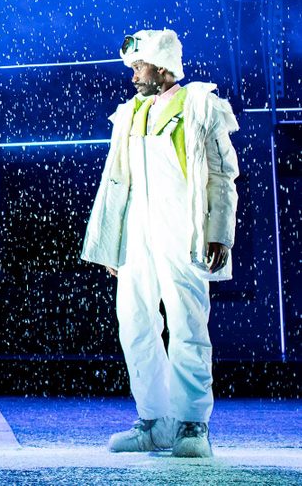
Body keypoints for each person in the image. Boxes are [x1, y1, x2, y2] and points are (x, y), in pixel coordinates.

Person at [82, 29, 239, 458]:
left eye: (140, 66)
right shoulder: (130, 113)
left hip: (181, 228)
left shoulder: (199, 106)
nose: (134, 75)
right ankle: (155, 421)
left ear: (163, 66)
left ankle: (192, 425)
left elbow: (223, 176)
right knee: (134, 323)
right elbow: (116, 182)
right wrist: (114, 242)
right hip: (139, 231)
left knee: (188, 324)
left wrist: (218, 233)